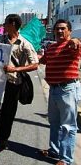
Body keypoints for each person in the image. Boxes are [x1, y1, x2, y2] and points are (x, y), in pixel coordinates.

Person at [0, 14, 39, 151]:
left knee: (8, 112)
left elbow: (35, 65)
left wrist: (15, 69)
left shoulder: (24, 44)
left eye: (6, 23)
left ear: (13, 24)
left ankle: (3, 138)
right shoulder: (0, 39)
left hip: (14, 83)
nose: (4, 26)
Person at [39, 19, 81, 165]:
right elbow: (42, 60)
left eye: (63, 28)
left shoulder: (71, 45)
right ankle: (54, 151)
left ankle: (66, 159)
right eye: (57, 29)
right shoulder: (51, 48)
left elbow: (77, 44)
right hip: (53, 89)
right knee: (54, 123)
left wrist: (76, 40)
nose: (60, 31)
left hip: (67, 89)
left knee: (68, 126)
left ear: (69, 31)